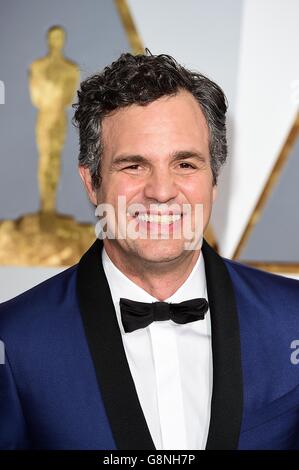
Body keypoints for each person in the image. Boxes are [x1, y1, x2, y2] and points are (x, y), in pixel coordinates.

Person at [0, 51, 298, 450]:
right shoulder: (15, 340)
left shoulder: (293, 319)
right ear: (92, 182)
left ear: (214, 179)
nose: (161, 191)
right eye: (134, 166)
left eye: (186, 164)